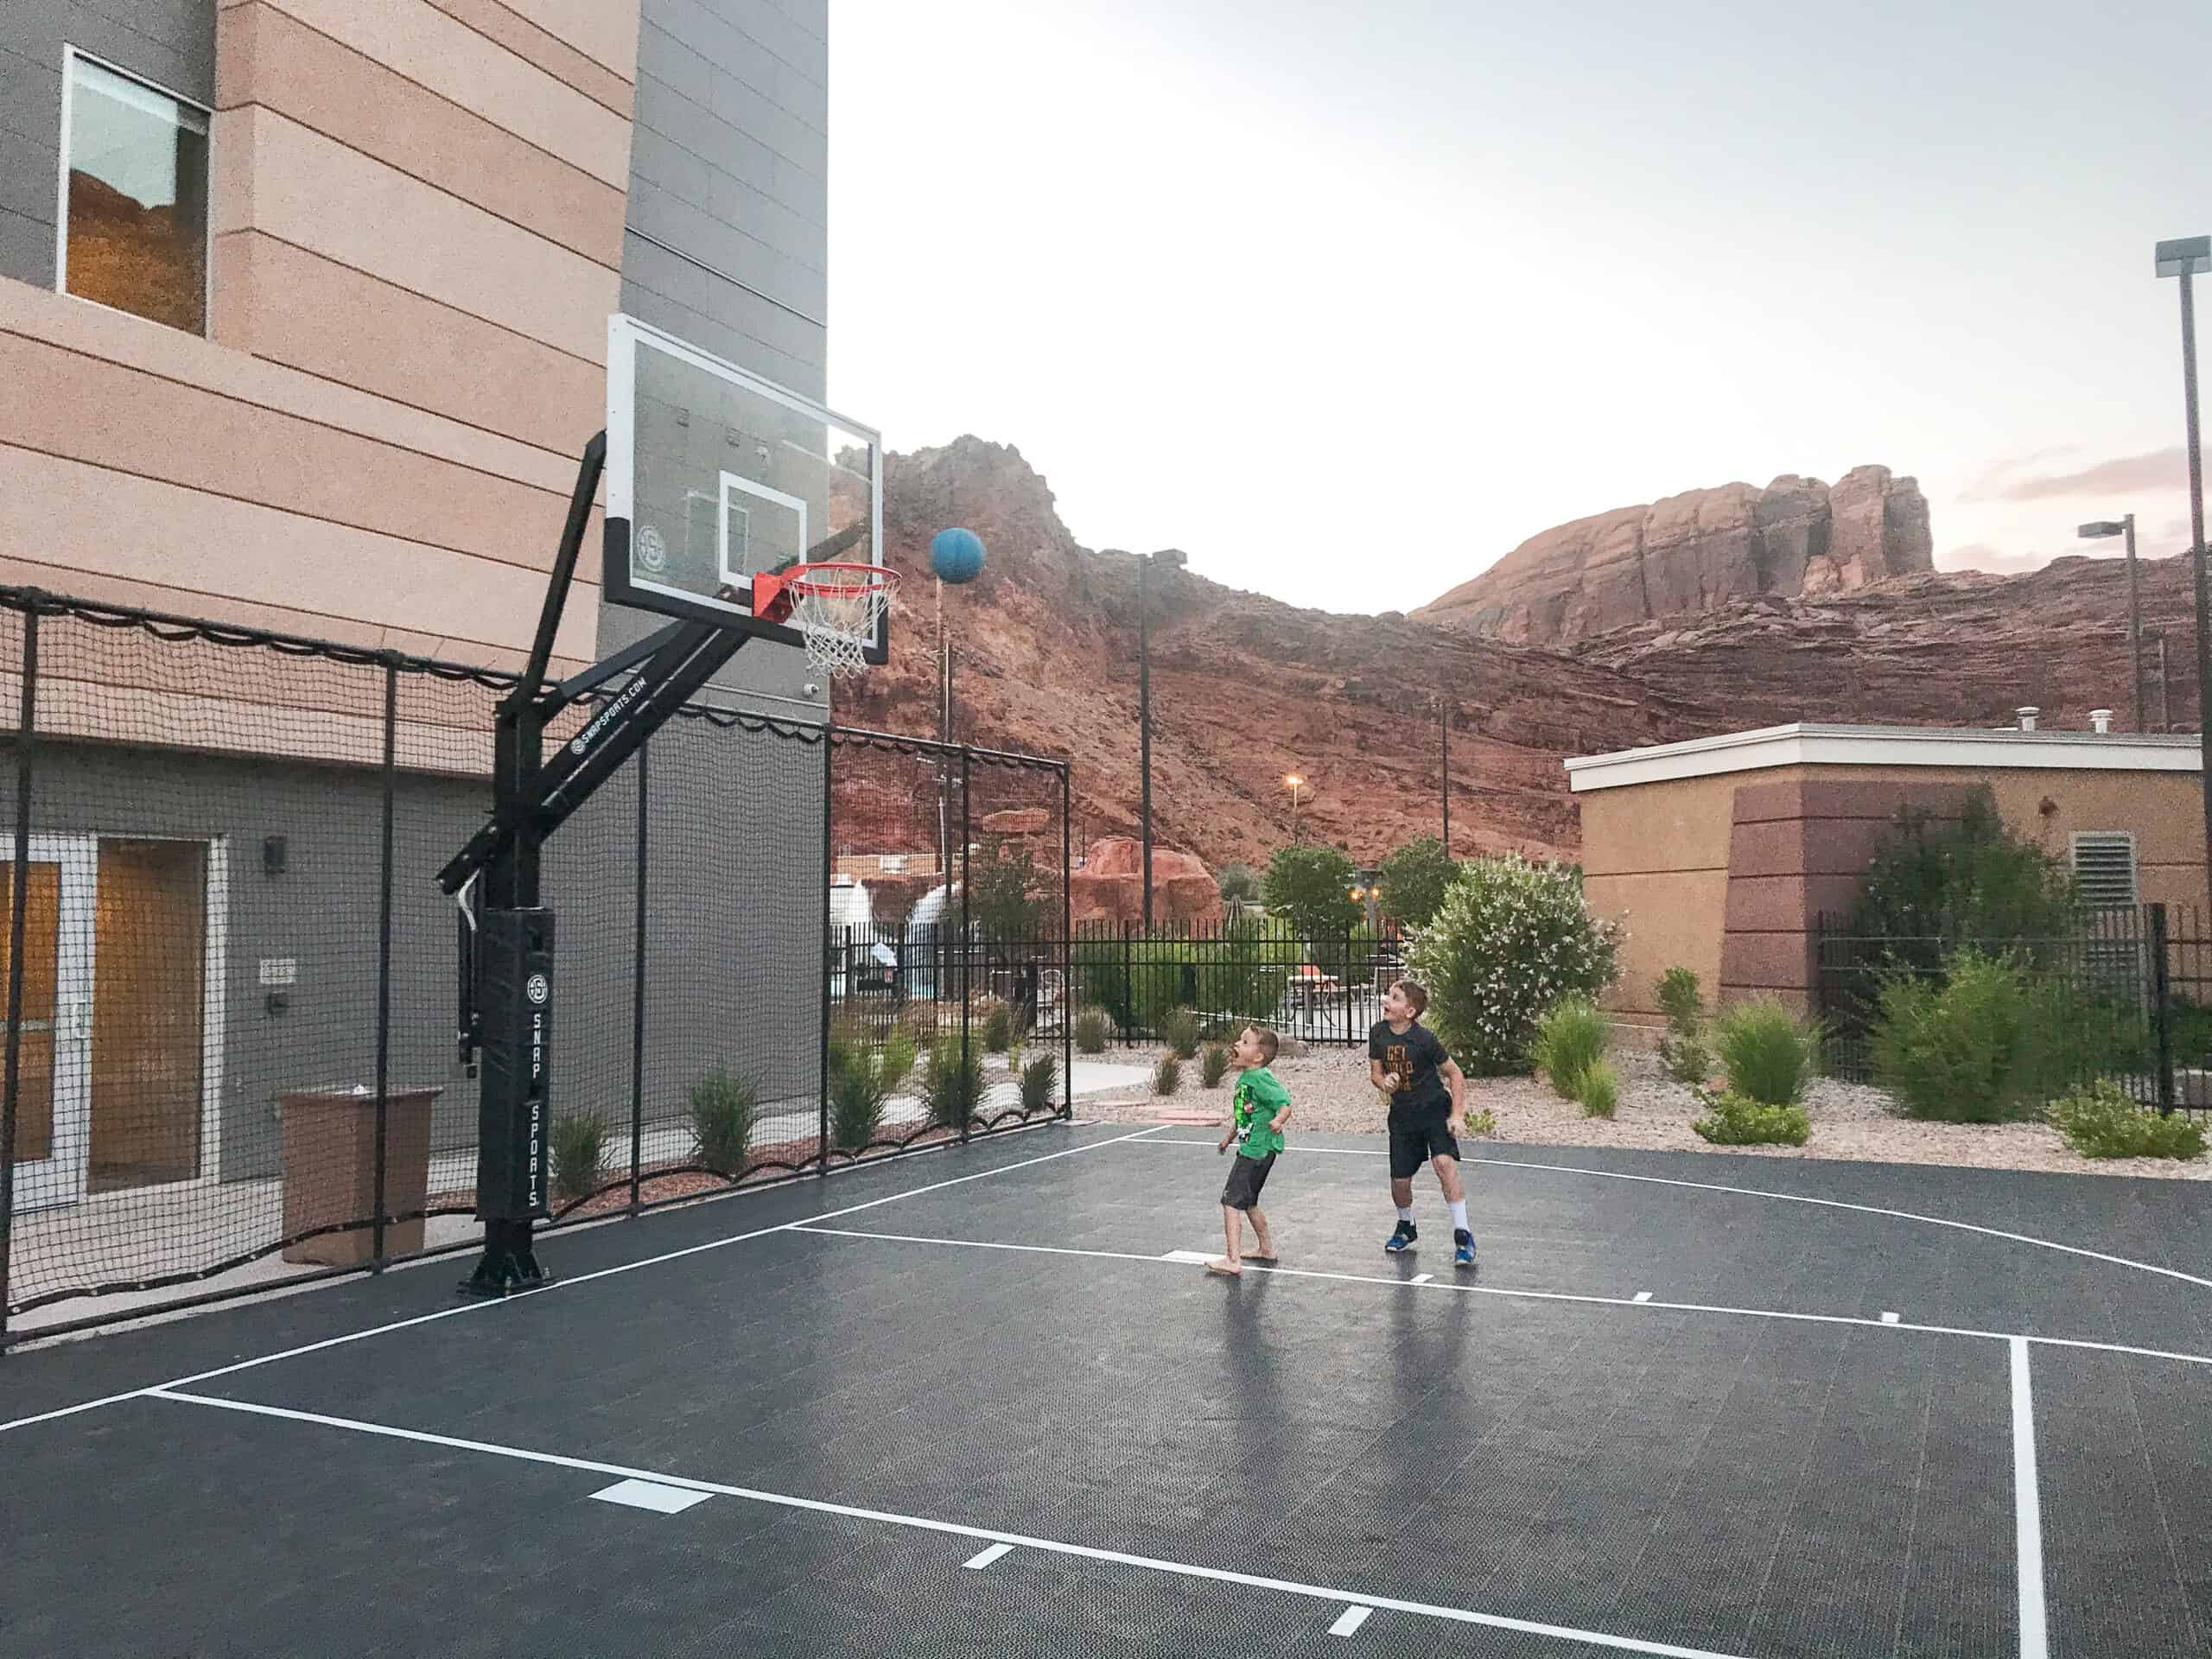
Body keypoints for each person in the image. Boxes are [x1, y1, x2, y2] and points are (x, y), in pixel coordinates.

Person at [1369, 979, 1475, 1268]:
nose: (1386, 1001)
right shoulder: (1378, 1033)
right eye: (1388, 995)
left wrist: (1457, 1114)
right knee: (1400, 1182)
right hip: (1402, 1116)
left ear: (1411, 1011)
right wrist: (1384, 1083)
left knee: (1444, 1164)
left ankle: (1463, 1236)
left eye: (1395, 998)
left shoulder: (1425, 1040)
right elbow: (1375, 1073)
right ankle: (1406, 1226)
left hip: (1432, 1111)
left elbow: (1455, 1075)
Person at [1208, 1025, 1291, 1277]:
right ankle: (1266, 1249)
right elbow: (1245, 1114)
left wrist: (1279, 1120)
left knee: (1230, 1201)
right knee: (1249, 1202)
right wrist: (1229, 1137)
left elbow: (1284, 1103)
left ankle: (1233, 1259)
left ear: (1258, 1057)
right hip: (1255, 1148)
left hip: (1257, 1151)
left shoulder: (1261, 1078)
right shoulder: (1247, 1079)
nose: (1236, 1044)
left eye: (1245, 1042)